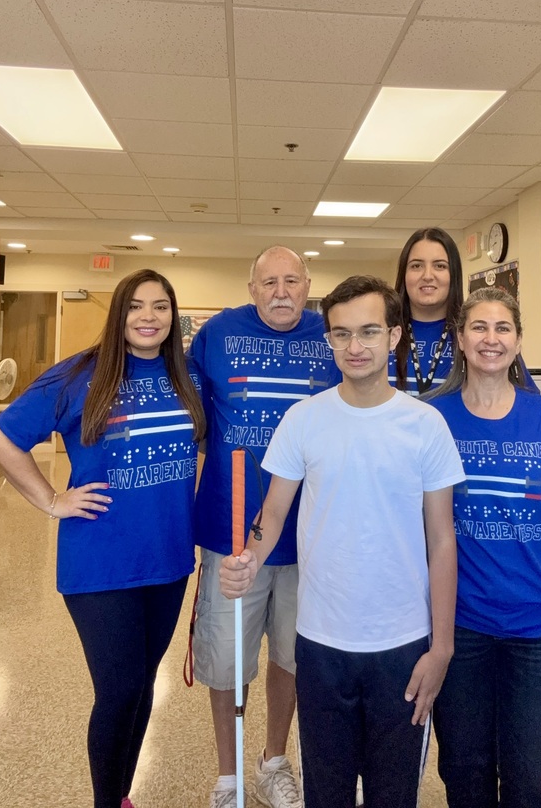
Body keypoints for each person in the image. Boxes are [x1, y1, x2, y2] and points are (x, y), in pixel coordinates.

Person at [219, 275, 464, 808]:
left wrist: (442, 647)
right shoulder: (303, 419)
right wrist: (249, 558)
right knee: (326, 792)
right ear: (328, 338)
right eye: (341, 333)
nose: (355, 346)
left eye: (369, 331)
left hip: (403, 644)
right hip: (321, 642)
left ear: (394, 335)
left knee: (392, 794)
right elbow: (273, 512)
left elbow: (442, 540)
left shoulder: (425, 425)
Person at [0, 269, 206, 808]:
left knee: (143, 683)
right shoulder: (79, 375)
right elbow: (2, 436)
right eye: (135, 306)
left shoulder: (187, 377)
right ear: (119, 314)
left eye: (160, 306)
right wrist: (51, 500)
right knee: (119, 688)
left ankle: (122, 795)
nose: (148, 317)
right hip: (100, 562)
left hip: (169, 559)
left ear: (173, 316)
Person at [428, 287, 541, 808]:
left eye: (503, 328)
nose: (491, 338)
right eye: (478, 327)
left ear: (519, 340)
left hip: (539, 627)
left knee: (532, 773)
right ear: (460, 339)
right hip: (459, 625)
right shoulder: (431, 418)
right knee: (464, 767)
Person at [190, 246, 341, 808]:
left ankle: (273, 762)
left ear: (308, 286)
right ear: (251, 287)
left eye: (292, 281)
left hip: (311, 536)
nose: (281, 292)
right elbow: (189, 412)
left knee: (292, 657)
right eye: (269, 282)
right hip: (232, 533)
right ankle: (228, 776)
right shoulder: (217, 333)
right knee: (226, 660)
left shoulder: (332, 335)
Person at [393, 227, 537, 395]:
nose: (427, 275)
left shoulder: (479, 336)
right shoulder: (382, 334)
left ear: (454, 274)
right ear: (404, 273)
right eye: (416, 266)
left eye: (440, 266)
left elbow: (528, 401)